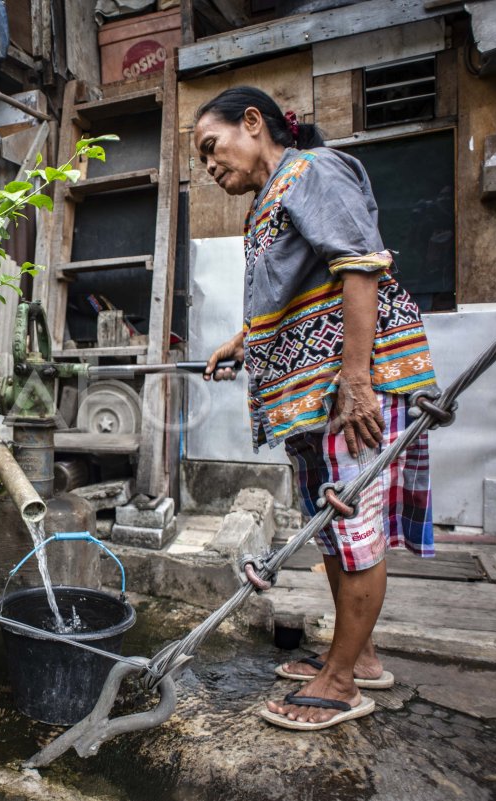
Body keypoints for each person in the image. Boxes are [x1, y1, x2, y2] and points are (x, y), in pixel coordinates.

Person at [196, 87, 438, 731]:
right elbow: (297, 287)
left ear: (253, 123)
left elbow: (359, 267)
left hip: (346, 389)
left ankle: (340, 682)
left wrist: (356, 380)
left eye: (211, 148)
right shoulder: (268, 200)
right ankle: (358, 658)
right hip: (310, 397)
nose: (210, 166)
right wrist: (242, 342)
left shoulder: (312, 171)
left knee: (353, 527)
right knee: (328, 526)